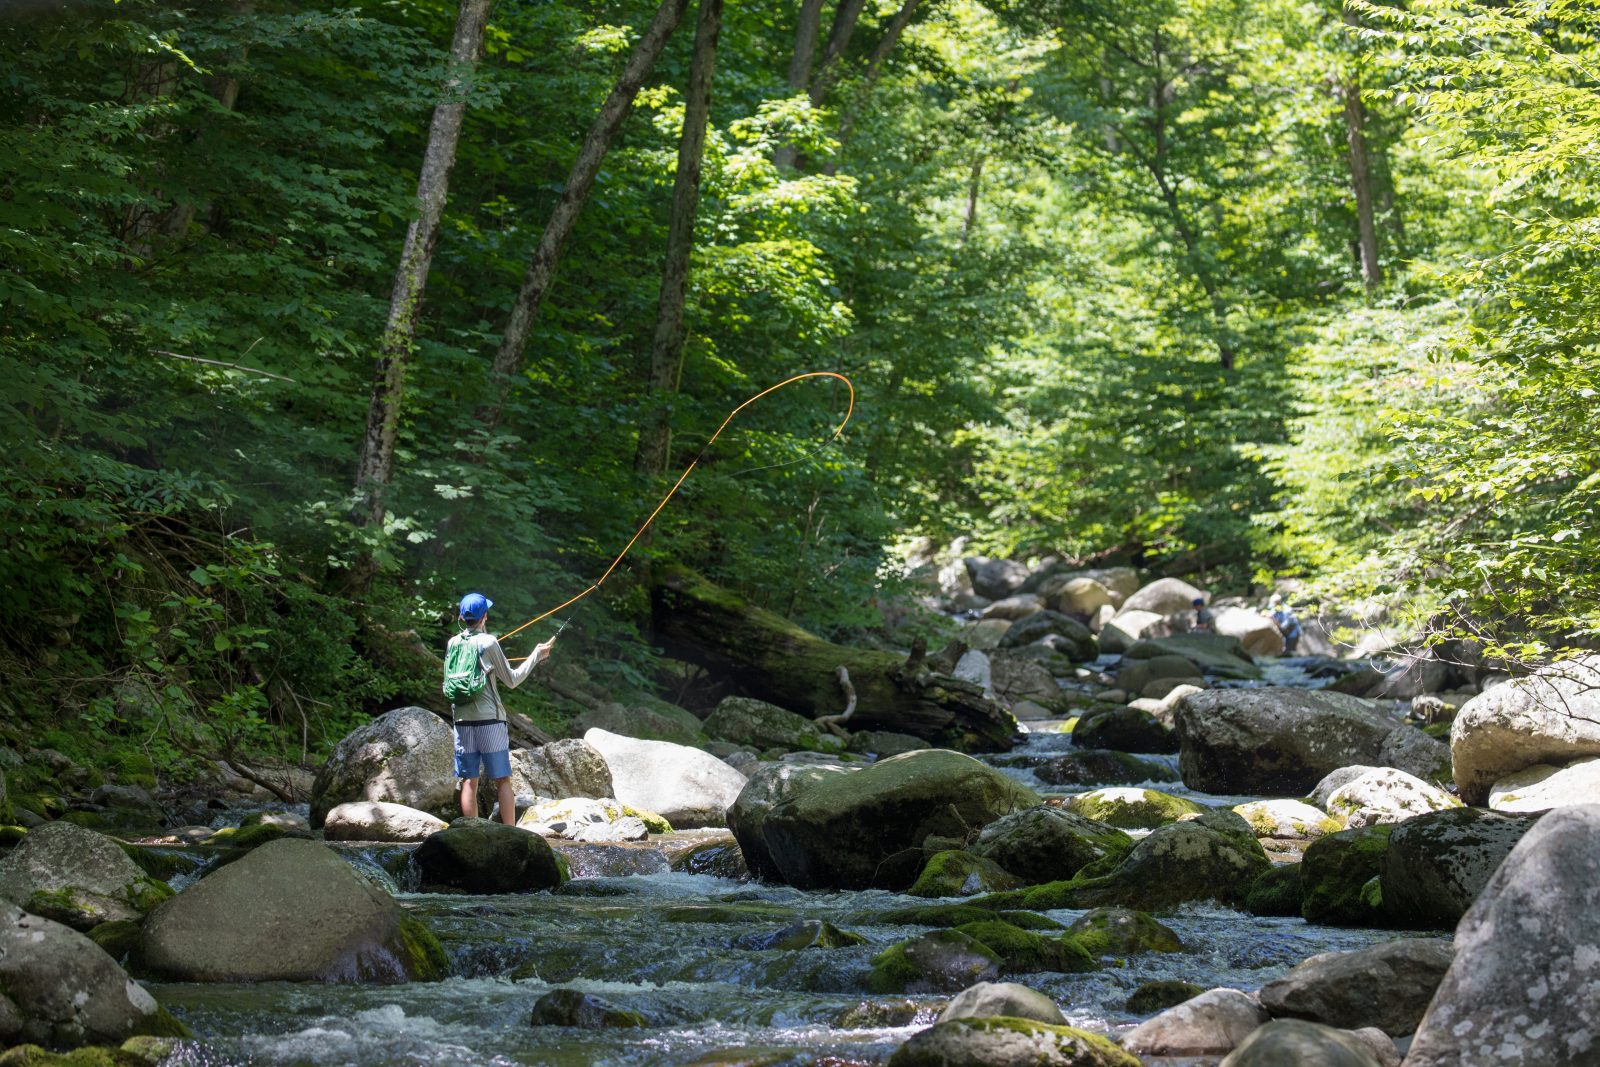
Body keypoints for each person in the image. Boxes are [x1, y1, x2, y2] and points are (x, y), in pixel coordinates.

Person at [444, 592, 555, 825]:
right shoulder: (489, 642)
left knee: (469, 780)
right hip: (490, 720)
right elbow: (512, 680)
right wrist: (536, 655)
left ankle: (470, 832)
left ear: (462, 617)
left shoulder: (452, 643)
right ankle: (511, 833)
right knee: (502, 780)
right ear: (485, 616)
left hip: (462, 720)